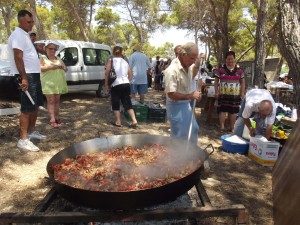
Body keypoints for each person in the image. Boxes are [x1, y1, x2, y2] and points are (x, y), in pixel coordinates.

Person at [8, 10, 46, 152]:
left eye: (32, 21)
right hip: (26, 75)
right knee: (26, 108)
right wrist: (23, 77)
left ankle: (31, 132)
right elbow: (18, 57)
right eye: (28, 22)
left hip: (34, 75)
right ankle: (23, 140)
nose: (32, 24)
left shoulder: (25, 35)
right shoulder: (17, 35)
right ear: (20, 21)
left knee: (35, 106)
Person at [164, 42, 202, 144]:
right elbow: (171, 94)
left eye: (195, 58)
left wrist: (197, 65)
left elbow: (192, 75)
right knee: (180, 135)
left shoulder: (188, 66)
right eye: (192, 58)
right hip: (175, 106)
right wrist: (191, 95)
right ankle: (175, 157)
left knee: (193, 129)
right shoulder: (172, 70)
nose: (194, 61)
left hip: (185, 104)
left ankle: (191, 154)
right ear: (184, 55)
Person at [105, 44, 138, 128]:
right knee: (127, 103)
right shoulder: (125, 62)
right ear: (121, 52)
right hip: (126, 84)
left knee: (116, 103)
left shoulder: (111, 60)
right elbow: (130, 75)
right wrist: (127, 81)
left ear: (113, 52)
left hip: (116, 84)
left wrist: (106, 84)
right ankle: (134, 120)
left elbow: (107, 73)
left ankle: (118, 121)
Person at [214, 51, 245, 132]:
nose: (230, 61)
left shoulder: (240, 71)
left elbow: (243, 82)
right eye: (228, 59)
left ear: (234, 59)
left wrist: (242, 92)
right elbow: (216, 81)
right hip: (223, 94)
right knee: (222, 110)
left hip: (235, 95)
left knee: (233, 111)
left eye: (231, 59)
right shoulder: (220, 70)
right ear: (225, 59)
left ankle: (232, 128)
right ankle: (222, 127)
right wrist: (216, 91)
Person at [40, 40, 68, 128]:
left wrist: (63, 67)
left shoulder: (58, 58)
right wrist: (50, 67)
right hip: (48, 83)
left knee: (57, 101)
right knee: (51, 101)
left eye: (55, 49)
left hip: (58, 82)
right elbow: (40, 68)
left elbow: (66, 69)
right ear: (46, 49)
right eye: (50, 48)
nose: (53, 50)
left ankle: (57, 116)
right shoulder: (42, 57)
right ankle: (52, 119)